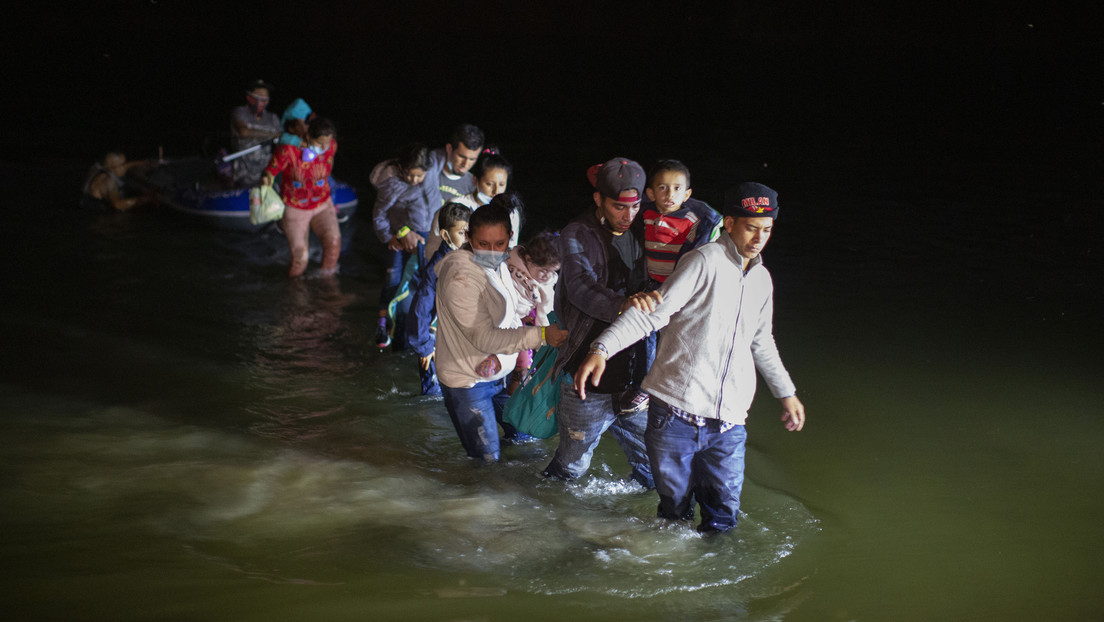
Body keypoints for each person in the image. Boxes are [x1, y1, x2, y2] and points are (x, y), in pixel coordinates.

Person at [573, 182, 806, 533]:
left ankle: (717, 581)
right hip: (675, 417)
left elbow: (761, 341)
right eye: (751, 228)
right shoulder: (703, 261)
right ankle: (672, 578)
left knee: (723, 518)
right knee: (675, 514)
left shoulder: (762, 280)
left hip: (728, 424)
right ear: (729, 224)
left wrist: (786, 393)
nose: (759, 238)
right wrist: (601, 348)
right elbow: (654, 313)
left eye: (767, 230)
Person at [541, 157, 658, 488]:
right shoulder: (576, 234)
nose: (628, 215)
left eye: (635, 207)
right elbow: (579, 288)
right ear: (598, 200)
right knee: (569, 470)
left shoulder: (645, 225)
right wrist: (623, 304)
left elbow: (689, 206)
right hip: (585, 377)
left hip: (636, 377)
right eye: (619, 207)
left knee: (654, 468)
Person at [434, 193, 568, 462]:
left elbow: (512, 314)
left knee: (524, 441)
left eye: (500, 243)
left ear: (510, 238)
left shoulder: (497, 264)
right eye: (483, 243)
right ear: (469, 237)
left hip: (497, 374)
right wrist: (541, 335)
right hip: (467, 381)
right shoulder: (461, 277)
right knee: (486, 461)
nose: (492, 252)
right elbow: (483, 337)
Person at [475, 231, 560, 395]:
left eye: (553, 271)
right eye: (544, 270)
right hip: (500, 312)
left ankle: (513, 398)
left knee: (522, 363)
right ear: (528, 259)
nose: (548, 275)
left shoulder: (546, 287)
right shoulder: (509, 259)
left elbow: (543, 316)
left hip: (520, 321)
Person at [370, 143, 435, 349]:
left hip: (426, 233)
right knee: (393, 278)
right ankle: (382, 325)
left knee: (427, 280)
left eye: (419, 176)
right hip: (401, 236)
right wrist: (388, 236)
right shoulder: (393, 184)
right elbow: (379, 213)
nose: (414, 180)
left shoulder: (431, 173)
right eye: (410, 175)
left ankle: (428, 327)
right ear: (401, 167)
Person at [406, 201, 472, 395]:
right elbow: (421, 306)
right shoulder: (439, 266)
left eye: (469, 232)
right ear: (445, 235)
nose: (467, 238)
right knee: (434, 396)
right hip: (434, 341)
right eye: (461, 233)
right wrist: (424, 346)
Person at [262, 117, 341, 278]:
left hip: (322, 204)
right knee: (300, 259)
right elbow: (270, 171)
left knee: (334, 244)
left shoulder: (331, 146)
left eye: (328, 143)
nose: (325, 148)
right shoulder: (288, 151)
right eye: (320, 144)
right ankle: (294, 295)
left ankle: (327, 285)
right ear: (308, 137)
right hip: (295, 207)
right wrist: (266, 180)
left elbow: (329, 164)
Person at [641, 159, 722, 286]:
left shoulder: (692, 222)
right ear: (651, 193)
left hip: (678, 286)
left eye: (677, 188)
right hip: (649, 284)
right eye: (662, 187)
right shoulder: (645, 216)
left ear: (686, 194)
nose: (670, 194)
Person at [424, 149, 514, 258]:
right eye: (489, 184)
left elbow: (510, 250)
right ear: (475, 181)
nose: (496, 191)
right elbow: (432, 246)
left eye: (501, 184)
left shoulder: (511, 212)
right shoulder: (456, 206)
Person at [229, 79, 282, 186]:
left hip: (266, 172)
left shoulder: (273, 118)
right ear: (249, 97)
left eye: (265, 96)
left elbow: (279, 143)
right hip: (243, 173)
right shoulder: (239, 112)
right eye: (259, 95)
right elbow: (243, 131)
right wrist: (271, 135)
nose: (263, 100)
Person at [80, 151, 156, 211]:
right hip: (97, 212)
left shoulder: (97, 166)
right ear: (112, 168)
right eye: (123, 165)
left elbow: (121, 168)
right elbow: (118, 205)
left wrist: (141, 163)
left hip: (85, 199)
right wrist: (148, 199)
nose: (125, 167)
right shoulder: (109, 182)